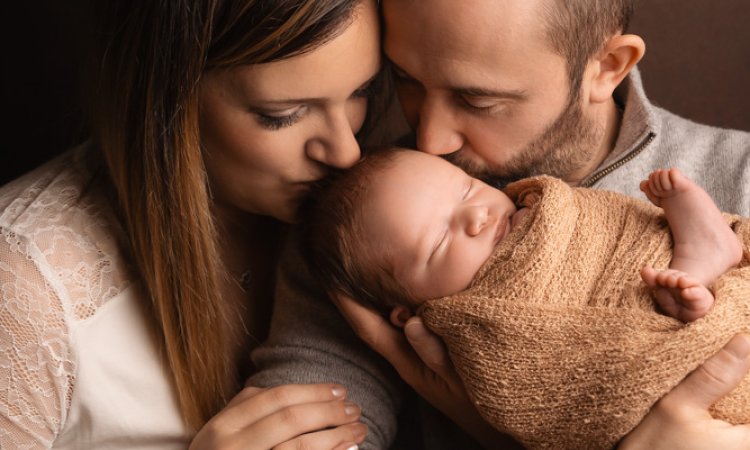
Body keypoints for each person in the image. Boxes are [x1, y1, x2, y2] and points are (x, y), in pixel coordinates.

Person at [250, 0, 750, 448]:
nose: (431, 139)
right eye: (405, 80)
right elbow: (310, 416)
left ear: (606, 67)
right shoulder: (366, 221)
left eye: (477, 101)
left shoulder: (739, 175)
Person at [0, 0, 387, 448]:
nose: (346, 153)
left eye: (363, 91)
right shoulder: (26, 290)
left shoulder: (382, 201)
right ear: (164, 99)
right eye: (282, 114)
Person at [298, 147, 749, 449]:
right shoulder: (479, 338)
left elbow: (610, 231)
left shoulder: (553, 209)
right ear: (408, 311)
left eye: (469, 188)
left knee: (651, 275)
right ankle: (690, 302)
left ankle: (697, 265)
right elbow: (553, 387)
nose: (477, 216)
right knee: (653, 313)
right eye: (437, 244)